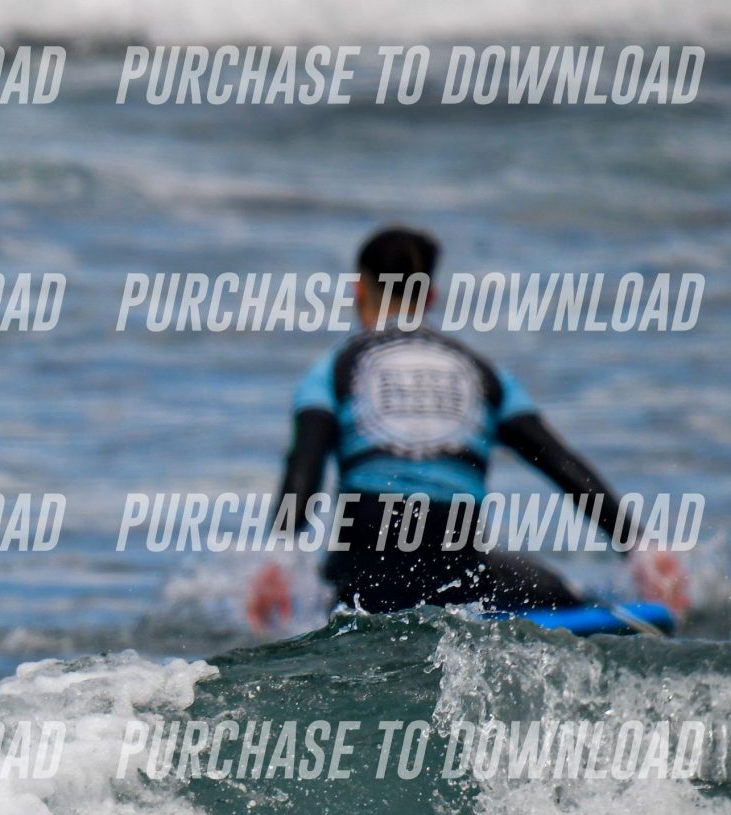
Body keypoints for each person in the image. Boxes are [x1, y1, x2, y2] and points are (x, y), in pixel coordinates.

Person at [248, 225, 682, 627]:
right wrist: (638, 546)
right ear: (430, 297)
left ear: (357, 290)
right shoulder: (483, 373)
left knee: (335, 587)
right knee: (565, 594)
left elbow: (304, 467)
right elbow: (557, 460)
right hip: (456, 569)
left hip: (364, 572)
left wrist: (280, 557)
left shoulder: (331, 370)